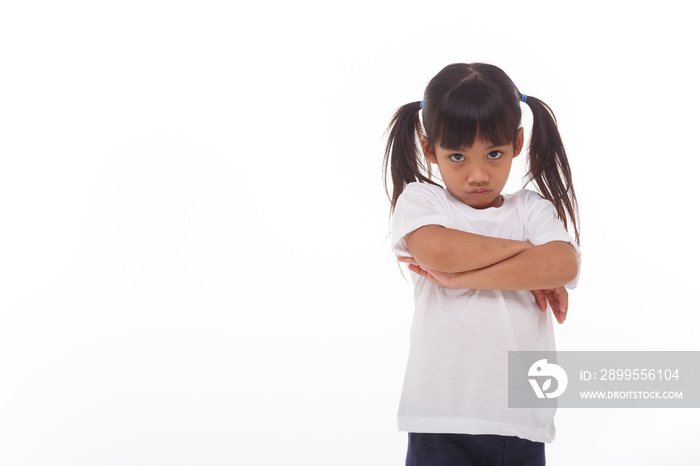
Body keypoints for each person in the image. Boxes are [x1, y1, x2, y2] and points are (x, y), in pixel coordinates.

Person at [383, 63, 581, 466]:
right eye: (457, 156)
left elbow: (563, 263)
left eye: (494, 153)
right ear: (428, 150)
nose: (478, 174)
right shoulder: (423, 202)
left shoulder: (531, 209)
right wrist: (529, 257)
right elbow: (438, 253)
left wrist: (458, 282)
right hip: (440, 417)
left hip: (519, 421)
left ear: (518, 142)